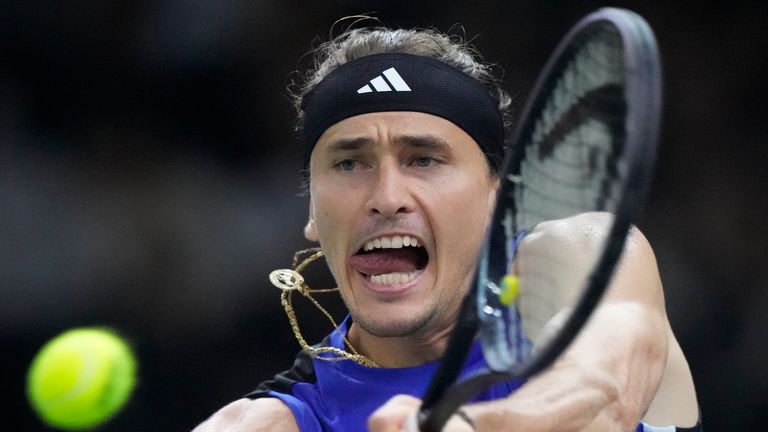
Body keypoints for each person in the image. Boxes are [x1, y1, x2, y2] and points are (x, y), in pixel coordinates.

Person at [194, 23, 700, 432]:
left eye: (424, 160)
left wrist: (470, 426)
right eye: (349, 164)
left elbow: (604, 394)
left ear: (496, 199)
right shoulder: (269, 422)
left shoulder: (578, 257)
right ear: (311, 211)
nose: (386, 198)